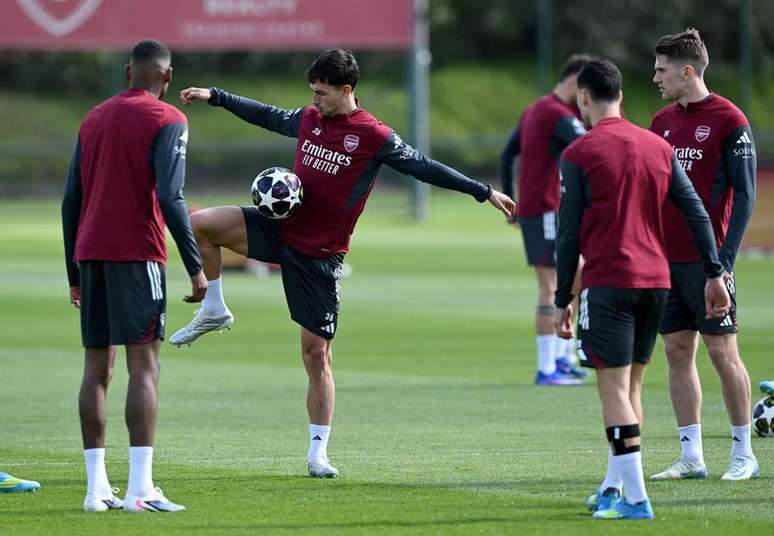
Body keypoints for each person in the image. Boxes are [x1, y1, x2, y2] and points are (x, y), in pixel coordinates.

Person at [170, 48, 516, 478]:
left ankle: (318, 453)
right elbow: (267, 115)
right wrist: (217, 96)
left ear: (346, 89)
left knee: (316, 356)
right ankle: (214, 307)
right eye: (312, 92)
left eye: (321, 92)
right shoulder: (310, 119)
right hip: (279, 229)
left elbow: (423, 167)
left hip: (318, 256)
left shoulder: (373, 135)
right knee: (200, 225)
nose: (314, 100)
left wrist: (483, 191)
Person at [554, 59, 729, 520]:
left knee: (613, 390)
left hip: (609, 282)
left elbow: (568, 236)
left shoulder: (579, 153)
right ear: (621, 96)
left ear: (584, 98)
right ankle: (614, 485)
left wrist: (561, 299)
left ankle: (635, 498)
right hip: (656, 281)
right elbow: (696, 212)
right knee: (631, 386)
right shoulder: (658, 146)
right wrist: (714, 272)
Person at [62, 39, 207, 512]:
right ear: (167, 77)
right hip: (138, 253)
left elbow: (71, 199)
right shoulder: (169, 119)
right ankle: (140, 490)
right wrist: (195, 266)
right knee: (144, 366)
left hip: (91, 254)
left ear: (128, 71)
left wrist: (73, 273)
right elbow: (171, 196)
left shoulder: (93, 118)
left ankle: (96, 489)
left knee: (96, 369)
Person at [647, 29, 759, 482]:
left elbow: (746, 196)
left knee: (722, 351)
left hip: (709, 263)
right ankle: (691, 455)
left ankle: (743, 454)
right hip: (665, 260)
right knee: (676, 350)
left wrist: (723, 265)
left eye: (662, 70)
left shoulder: (730, 120)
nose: (656, 77)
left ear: (687, 71)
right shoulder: (660, 122)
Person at [500, 55, 591, 386]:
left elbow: (507, 154)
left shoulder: (534, 109)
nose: (586, 98)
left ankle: (561, 358)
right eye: (585, 89)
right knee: (551, 286)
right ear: (574, 81)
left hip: (541, 209)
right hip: (545, 210)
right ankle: (546, 368)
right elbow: (592, 145)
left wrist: (513, 202)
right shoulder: (555, 113)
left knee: (576, 274)